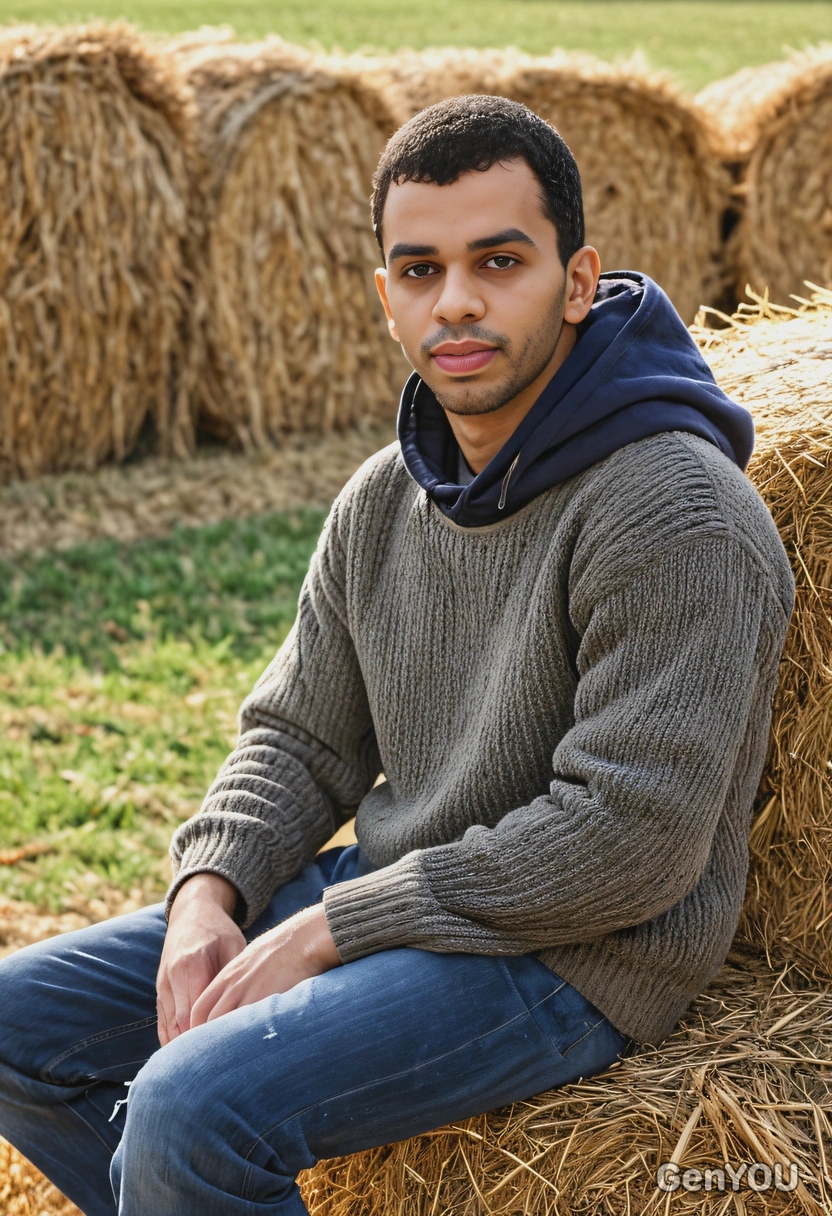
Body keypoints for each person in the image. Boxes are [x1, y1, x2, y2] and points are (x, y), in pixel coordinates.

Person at [0, 95, 794, 1216]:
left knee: (189, 1111)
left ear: (576, 280)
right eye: (418, 270)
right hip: (406, 891)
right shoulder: (386, 495)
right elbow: (298, 736)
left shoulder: (672, 508)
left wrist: (331, 927)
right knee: (15, 1028)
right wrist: (206, 893)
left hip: (580, 951)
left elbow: (633, 842)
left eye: (498, 260)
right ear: (384, 298)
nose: (455, 301)